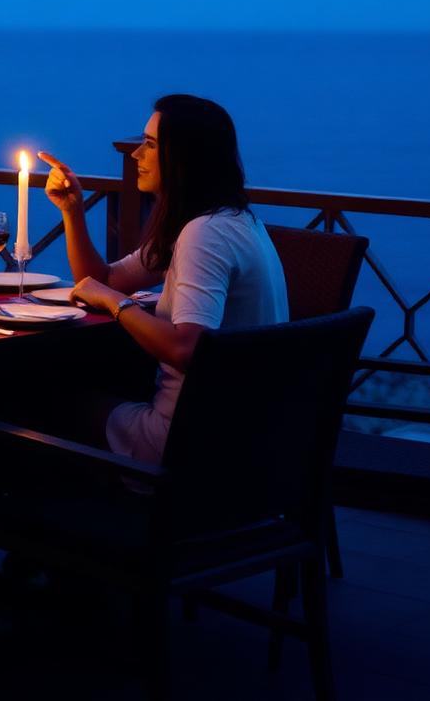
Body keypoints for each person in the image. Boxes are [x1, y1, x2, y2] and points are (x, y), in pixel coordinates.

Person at [38, 93, 288, 464]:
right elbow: (102, 277)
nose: (136, 154)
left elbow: (185, 348)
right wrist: (73, 211)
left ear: (184, 158)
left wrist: (115, 303)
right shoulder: (235, 221)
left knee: (40, 400)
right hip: (247, 436)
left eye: (150, 145)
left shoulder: (206, 234)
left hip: (187, 444)